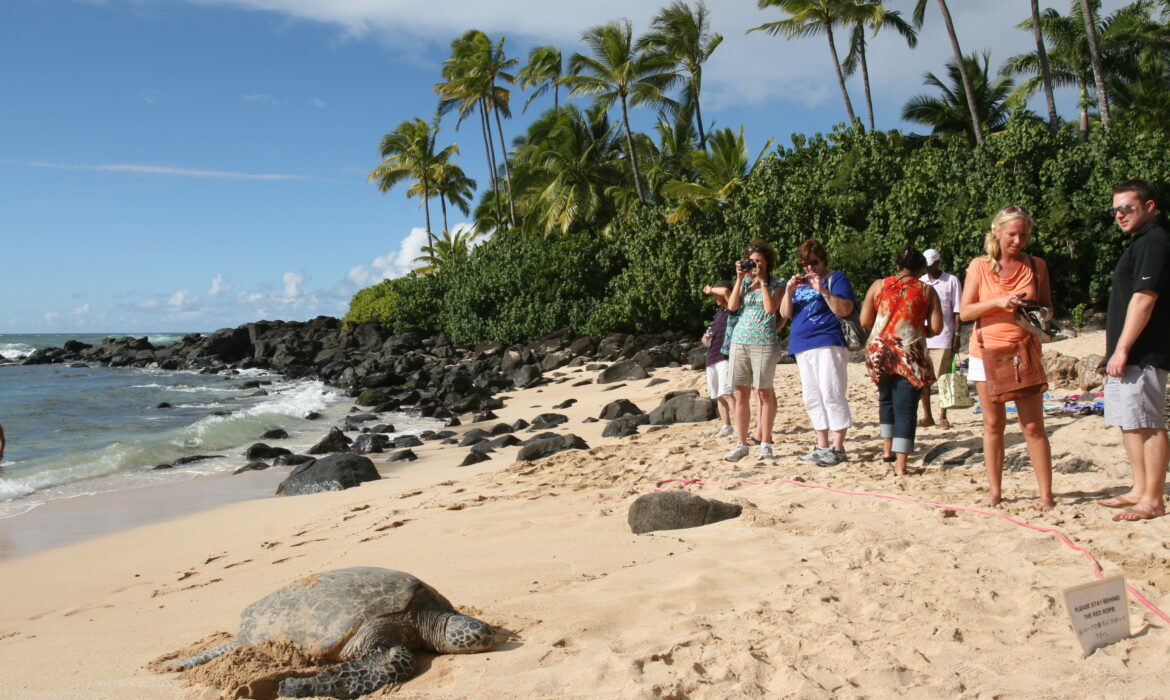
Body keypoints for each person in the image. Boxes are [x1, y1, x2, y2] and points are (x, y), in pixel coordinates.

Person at [959, 205, 1055, 511]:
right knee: (992, 423)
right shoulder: (979, 266)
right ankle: (996, 492)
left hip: (1023, 350)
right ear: (997, 232)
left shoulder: (1037, 266)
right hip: (985, 351)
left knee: (1032, 426)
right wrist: (998, 301)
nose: (1018, 240)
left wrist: (1035, 311)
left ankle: (1046, 496)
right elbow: (965, 312)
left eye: (1023, 235)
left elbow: (1049, 308)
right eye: (1012, 234)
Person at [1099, 178, 1170, 521]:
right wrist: (1113, 350)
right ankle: (1140, 489)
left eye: (1127, 207)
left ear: (1149, 206)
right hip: (1126, 353)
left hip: (1144, 352)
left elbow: (1145, 299)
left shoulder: (1154, 241)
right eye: (1115, 209)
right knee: (1129, 421)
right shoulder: (1139, 242)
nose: (1119, 214)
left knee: (1148, 423)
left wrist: (1123, 348)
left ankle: (1153, 499)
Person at [860, 246, 944, 475]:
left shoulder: (878, 286)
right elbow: (937, 327)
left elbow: (865, 320)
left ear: (898, 266)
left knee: (886, 400)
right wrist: (915, 328)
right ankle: (901, 464)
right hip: (909, 354)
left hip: (878, 351)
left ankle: (887, 451)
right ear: (920, 269)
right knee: (906, 408)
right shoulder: (926, 290)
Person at [781, 239, 855, 467]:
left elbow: (845, 309)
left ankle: (838, 447)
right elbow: (785, 313)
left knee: (832, 392)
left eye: (813, 263)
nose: (809, 268)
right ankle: (822, 445)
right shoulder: (800, 285)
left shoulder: (837, 278)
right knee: (812, 397)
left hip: (828, 341)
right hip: (802, 345)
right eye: (805, 264)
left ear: (823, 260)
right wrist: (789, 290)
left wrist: (821, 289)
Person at [724, 239, 785, 462]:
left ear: (768, 262)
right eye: (751, 262)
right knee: (740, 394)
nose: (755, 265)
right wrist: (740, 279)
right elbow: (731, 307)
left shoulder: (778, 282)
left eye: (759, 261)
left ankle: (766, 443)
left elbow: (771, 310)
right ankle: (741, 443)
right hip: (740, 340)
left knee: (764, 393)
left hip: (764, 342)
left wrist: (763, 282)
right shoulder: (745, 282)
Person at [918, 248, 963, 429]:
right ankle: (927, 415)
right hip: (924, 337)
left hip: (944, 336)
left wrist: (957, 335)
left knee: (944, 377)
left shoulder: (951, 281)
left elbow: (957, 310)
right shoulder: (921, 282)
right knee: (924, 378)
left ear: (938, 262)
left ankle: (943, 415)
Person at [701, 281, 736, 440]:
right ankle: (727, 426)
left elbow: (727, 290)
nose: (714, 296)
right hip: (712, 357)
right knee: (718, 395)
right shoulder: (718, 314)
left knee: (727, 393)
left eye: (716, 294)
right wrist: (706, 338)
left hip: (725, 356)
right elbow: (706, 339)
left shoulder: (732, 309)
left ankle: (739, 427)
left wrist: (710, 289)